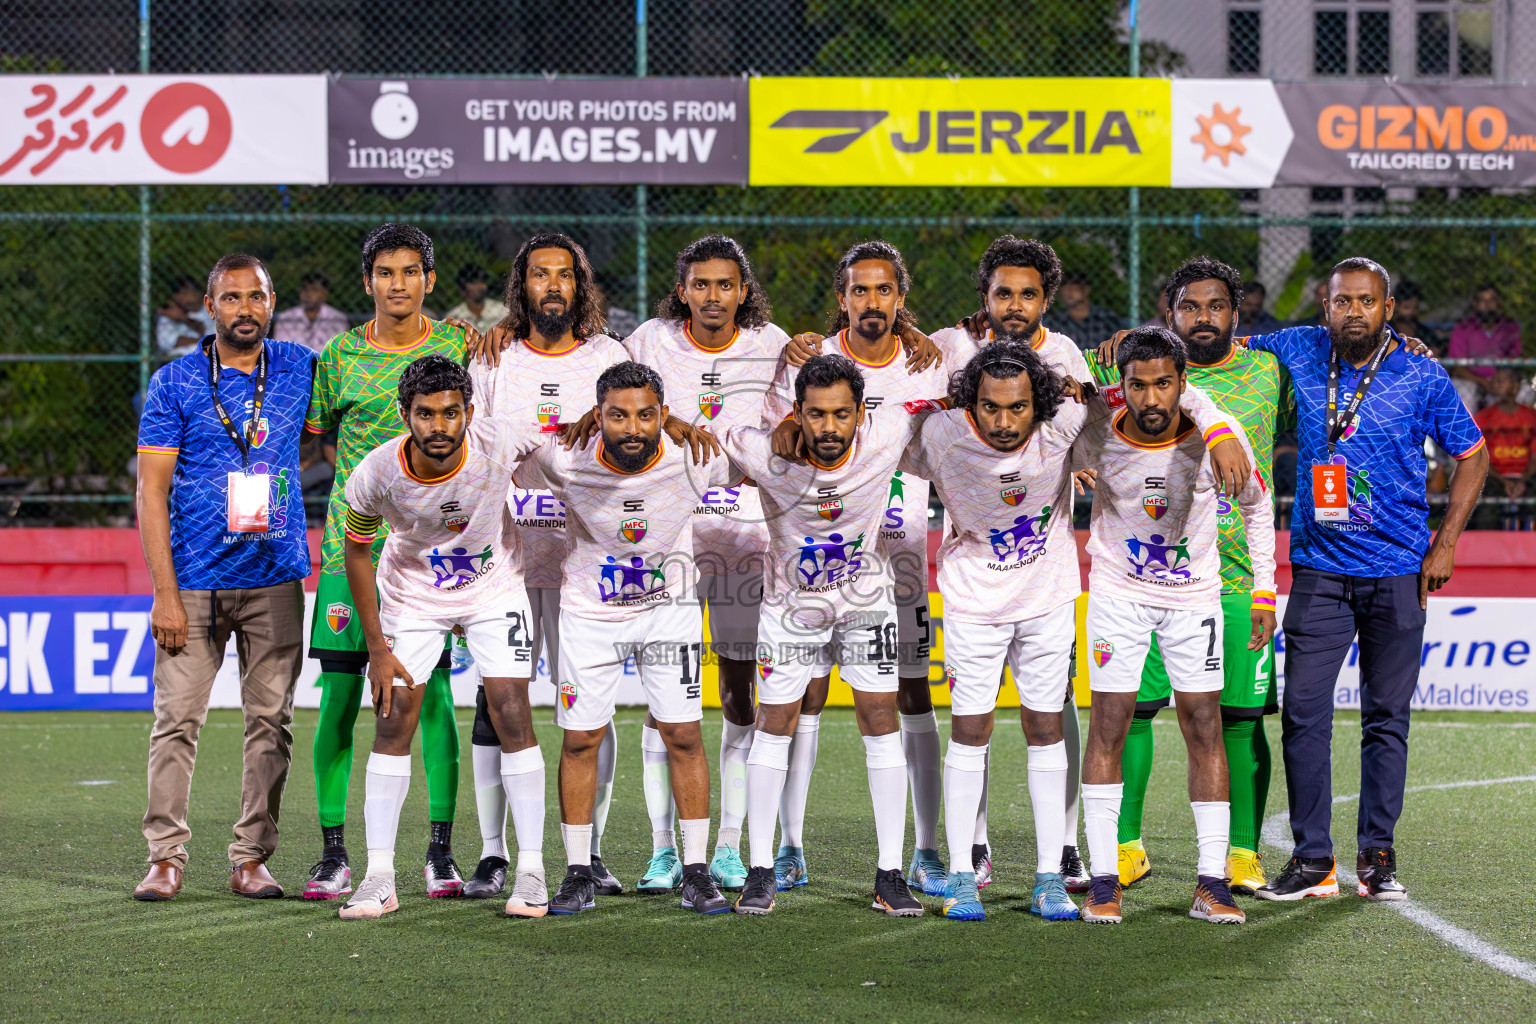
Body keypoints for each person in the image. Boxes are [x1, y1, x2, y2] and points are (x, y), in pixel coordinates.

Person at [1247, 257, 1488, 903]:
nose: (1353, 311)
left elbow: (1474, 455)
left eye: (1366, 301)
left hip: (1399, 569)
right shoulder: (1296, 347)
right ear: (1323, 307)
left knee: (1386, 717)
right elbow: (1216, 345)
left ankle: (1377, 856)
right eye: (1341, 301)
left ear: (1388, 309)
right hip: (1320, 569)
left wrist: (1447, 543)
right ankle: (1312, 859)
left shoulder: (1421, 370)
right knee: (1302, 712)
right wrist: (1124, 344)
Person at [1086, 257, 1295, 898]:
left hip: (1229, 578)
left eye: (1216, 307)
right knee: (1135, 712)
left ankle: (1239, 854)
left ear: (1237, 312)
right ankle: (1123, 848)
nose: (1203, 318)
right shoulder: (1124, 368)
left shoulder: (1270, 367)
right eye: (1189, 307)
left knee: (1235, 720)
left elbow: (1262, 492)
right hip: (1142, 580)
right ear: (1168, 313)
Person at [517, 361, 737, 917]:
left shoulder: (698, 458)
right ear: (599, 416)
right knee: (580, 739)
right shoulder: (563, 458)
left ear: (665, 415)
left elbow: (766, 464)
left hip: (670, 612)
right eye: (617, 416)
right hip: (591, 615)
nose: (633, 428)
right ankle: (577, 872)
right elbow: (506, 456)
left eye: (645, 415)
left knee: (683, 735)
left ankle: (695, 871)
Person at [765, 241, 949, 897]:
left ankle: (924, 849)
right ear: (841, 297)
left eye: (884, 291)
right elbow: (778, 443)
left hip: (900, 566)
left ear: (901, 297)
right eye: (859, 291)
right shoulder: (808, 362)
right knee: (802, 698)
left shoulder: (930, 366)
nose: (872, 302)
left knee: (911, 694)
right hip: (819, 569)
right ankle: (788, 847)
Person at [336, 356, 549, 920]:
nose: (439, 426)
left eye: (451, 413)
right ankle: (379, 876)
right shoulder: (377, 472)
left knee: (510, 710)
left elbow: (571, 434)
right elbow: (356, 550)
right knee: (393, 718)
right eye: (425, 414)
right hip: (413, 595)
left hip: (493, 588)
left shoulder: (499, 439)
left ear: (469, 413)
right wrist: (377, 649)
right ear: (406, 415)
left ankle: (531, 871)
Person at [133, 254, 315, 901]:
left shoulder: (300, 367)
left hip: (275, 577)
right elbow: (150, 492)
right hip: (197, 581)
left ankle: (251, 857)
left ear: (272, 303)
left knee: (272, 722)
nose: (244, 309)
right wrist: (165, 593)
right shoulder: (176, 381)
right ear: (211, 307)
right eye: (231, 297)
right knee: (177, 720)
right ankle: (165, 857)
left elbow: (348, 415)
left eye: (256, 297)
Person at [723, 353, 932, 918]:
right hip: (790, 611)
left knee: (880, 720)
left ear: (862, 412)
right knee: (775, 724)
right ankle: (761, 869)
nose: (828, 428)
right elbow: (714, 435)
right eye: (815, 415)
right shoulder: (765, 452)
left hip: (866, 604)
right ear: (797, 413)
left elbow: (946, 404)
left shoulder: (888, 433)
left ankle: (890, 874)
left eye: (841, 414)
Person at [302, 224, 470, 901]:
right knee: (341, 699)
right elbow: (315, 446)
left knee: (430, 702)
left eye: (410, 272)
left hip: (435, 557)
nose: (397, 284)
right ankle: (334, 853)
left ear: (430, 280)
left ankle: (440, 851)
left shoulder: (460, 344)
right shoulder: (339, 355)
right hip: (353, 553)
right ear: (367, 281)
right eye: (384, 272)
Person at [618, 235, 790, 893]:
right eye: (701, 284)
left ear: (742, 291)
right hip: (669, 542)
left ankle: (727, 846)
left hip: (748, 541)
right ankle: (664, 851)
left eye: (726, 284)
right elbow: (609, 391)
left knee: (740, 692)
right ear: (682, 289)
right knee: (668, 698)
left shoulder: (772, 344)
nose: (713, 296)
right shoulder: (651, 340)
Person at [460, 233, 627, 900]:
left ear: (580, 287)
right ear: (520, 288)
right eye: (539, 276)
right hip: (506, 561)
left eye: (565, 276)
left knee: (590, 708)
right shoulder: (493, 362)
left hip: (586, 563)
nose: (552, 286)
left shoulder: (610, 357)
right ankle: (494, 853)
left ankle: (590, 854)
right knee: (495, 702)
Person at [927, 235, 1093, 892]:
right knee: (973, 719)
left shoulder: (1066, 357)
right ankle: (973, 844)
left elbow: (1092, 426)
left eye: (1027, 294)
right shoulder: (948, 348)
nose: (1015, 305)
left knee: (1054, 713)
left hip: (1045, 570)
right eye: (1003, 293)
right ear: (985, 296)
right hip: (974, 567)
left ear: (1046, 298)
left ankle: (1067, 844)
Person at [898, 342, 1085, 922]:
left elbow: (1151, 399)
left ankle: (1049, 876)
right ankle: (960, 875)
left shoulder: (1066, 425)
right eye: (990, 407)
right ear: (969, 404)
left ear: (1042, 405)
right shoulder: (941, 435)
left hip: (1048, 600)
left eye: (1019, 408)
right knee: (970, 731)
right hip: (974, 603)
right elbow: (876, 424)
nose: (1004, 422)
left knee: (1045, 727)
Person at [1473, 367, 1536, 528]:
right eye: (1494, 381)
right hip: (1494, 475)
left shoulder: (1531, 416)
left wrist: (1522, 480)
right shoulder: (1483, 417)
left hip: (1525, 475)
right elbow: (1479, 457)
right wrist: (1503, 481)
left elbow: (1535, 458)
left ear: (1515, 386)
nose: (1495, 385)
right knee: (1485, 513)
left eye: (1501, 380)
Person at [1448, 284, 1523, 410]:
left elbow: (1515, 359)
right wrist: (1483, 382)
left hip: (1501, 378)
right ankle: (1467, 429)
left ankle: (1506, 429)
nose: (1487, 305)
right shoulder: (1463, 328)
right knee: (1464, 393)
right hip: (1471, 379)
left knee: (1523, 392)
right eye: (1483, 301)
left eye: (1492, 300)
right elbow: (1457, 367)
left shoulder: (1510, 328)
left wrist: (1501, 380)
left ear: (1499, 304)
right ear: (1475, 304)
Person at [1042, 270, 1124, 349]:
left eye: (1073, 287)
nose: (1068, 292)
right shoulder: (1054, 321)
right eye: (1064, 287)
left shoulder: (1105, 317)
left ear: (1086, 289)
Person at [274, 272, 351, 354]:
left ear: (325, 294)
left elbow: (340, 353)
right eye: (305, 289)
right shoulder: (285, 318)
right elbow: (280, 352)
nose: (308, 294)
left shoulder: (337, 319)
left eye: (314, 290)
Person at [155, 273, 214, 357]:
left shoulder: (214, 310)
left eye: (187, 290)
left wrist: (185, 319)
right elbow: (165, 343)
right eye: (179, 292)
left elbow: (215, 340)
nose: (183, 296)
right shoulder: (168, 314)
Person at [444, 263, 509, 335]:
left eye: (482, 281)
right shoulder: (454, 317)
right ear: (462, 288)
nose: (481, 286)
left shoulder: (503, 311)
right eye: (474, 282)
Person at [1387, 280, 1445, 357]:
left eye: (1415, 307)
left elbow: (1437, 351)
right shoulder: (1388, 331)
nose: (1411, 312)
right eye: (1406, 307)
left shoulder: (1425, 332)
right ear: (1396, 306)